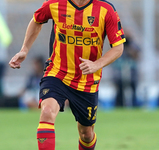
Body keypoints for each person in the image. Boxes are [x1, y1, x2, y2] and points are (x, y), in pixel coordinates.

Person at [9, 0, 126, 149]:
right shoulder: (55, 3)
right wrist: (24, 49)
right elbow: (37, 20)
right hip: (57, 73)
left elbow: (118, 47)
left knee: (86, 133)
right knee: (47, 111)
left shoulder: (105, 9)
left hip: (86, 81)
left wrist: (97, 64)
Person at [112, 30, 140, 107]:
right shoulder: (117, 45)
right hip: (119, 72)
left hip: (131, 72)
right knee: (119, 91)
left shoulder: (133, 45)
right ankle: (118, 106)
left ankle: (134, 105)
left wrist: (129, 48)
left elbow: (136, 55)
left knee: (133, 90)